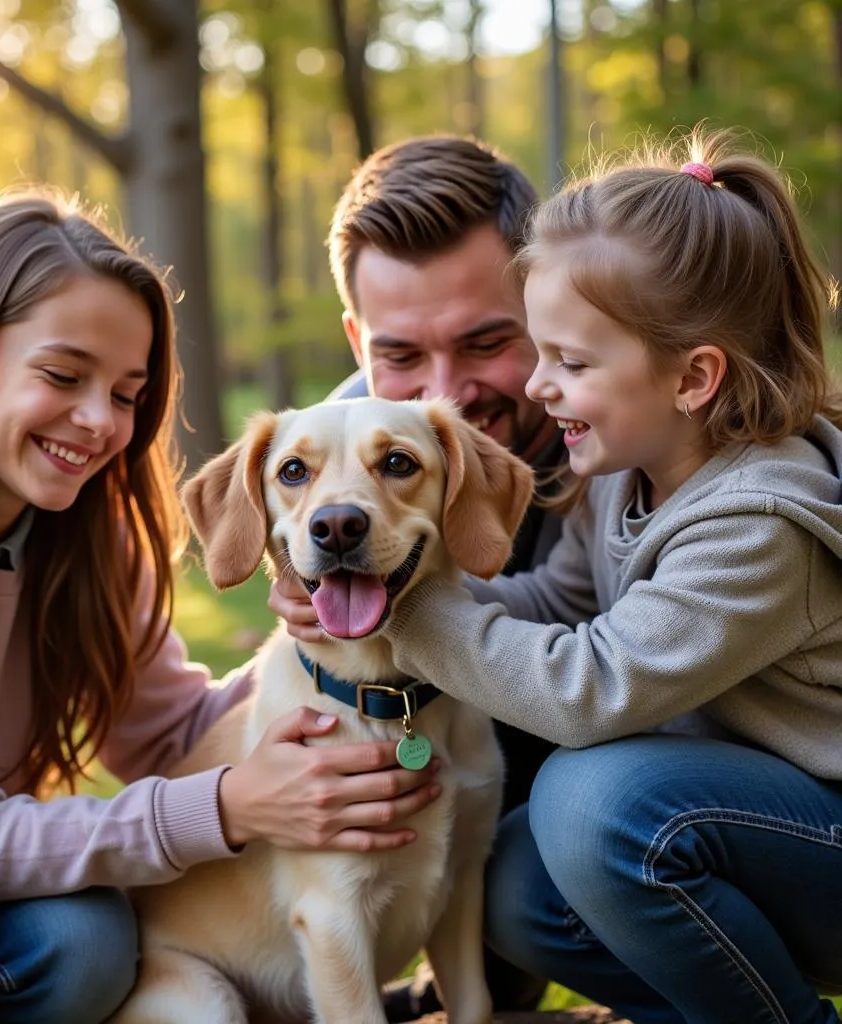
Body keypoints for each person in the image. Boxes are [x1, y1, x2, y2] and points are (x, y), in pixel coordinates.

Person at [0, 190, 442, 1024]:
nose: (98, 421)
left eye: (126, 393)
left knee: (88, 939)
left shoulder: (86, 534)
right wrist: (225, 807)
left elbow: (172, 736)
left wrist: (314, 671)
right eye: (62, 375)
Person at [309, 128, 842, 1023]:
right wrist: (369, 579)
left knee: (595, 804)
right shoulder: (627, 466)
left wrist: (402, 613)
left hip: (817, 831)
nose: (542, 388)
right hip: (758, 821)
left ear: (692, 377)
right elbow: (556, 602)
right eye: (543, 353)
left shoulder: (759, 521)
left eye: (569, 361)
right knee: (521, 876)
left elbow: (589, 688)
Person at [275, 133, 565, 1017]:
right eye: (401, 355)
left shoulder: (625, 437)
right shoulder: (326, 472)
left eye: (486, 342)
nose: (449, 390)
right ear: (358, 338)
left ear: (546, 308)